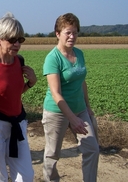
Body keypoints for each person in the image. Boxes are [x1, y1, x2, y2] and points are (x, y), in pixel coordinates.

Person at [42, 13, 99, 182]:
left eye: (75, 32)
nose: (72, 36)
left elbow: (82, 82)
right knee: (52, 154)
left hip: (80, 110)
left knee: (92, 149)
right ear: (58, 33)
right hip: (56, 112)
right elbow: (56, 93)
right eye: (68, 32)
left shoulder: (79, 54)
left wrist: (87, 107)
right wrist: (72, 119)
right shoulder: (53, 58)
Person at [0, 12, 35, 182]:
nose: (17, 44)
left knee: (26, 176)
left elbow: (12, 94)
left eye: (20, 39)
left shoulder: (19, 61)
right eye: (12, 40)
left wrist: (30, 83)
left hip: (17, 125)